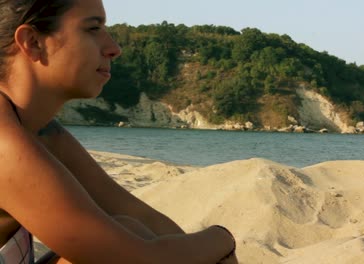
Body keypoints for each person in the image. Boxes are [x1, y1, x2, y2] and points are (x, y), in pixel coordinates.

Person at [0, 0, 238, 263]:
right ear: (33, 42)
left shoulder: (42, 132)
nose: (114, 48)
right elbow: (138, 259)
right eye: (92, 29)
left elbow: (138, 216)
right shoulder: (4, 141)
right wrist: (222, 238)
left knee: (129, 228)